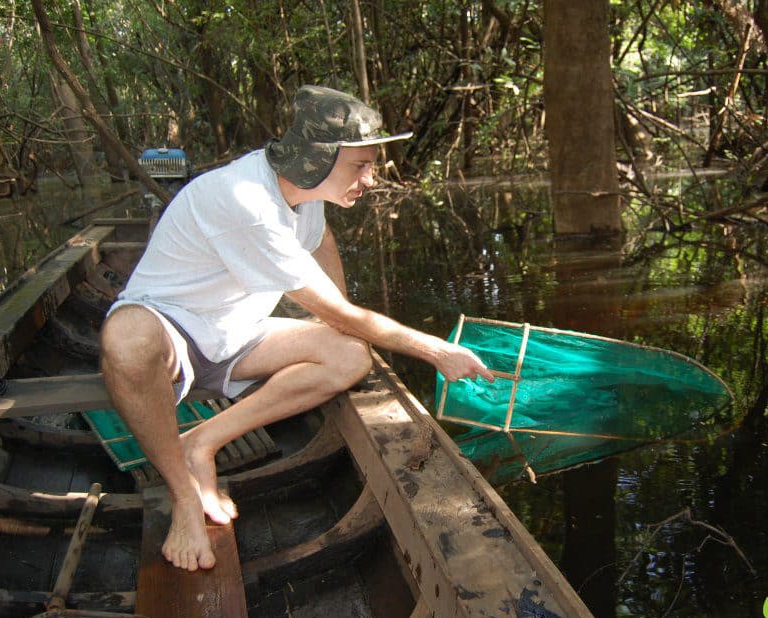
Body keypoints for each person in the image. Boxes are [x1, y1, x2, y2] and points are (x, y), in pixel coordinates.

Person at [100, 85, 493, 571]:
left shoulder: (305, 194)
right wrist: (436, 351)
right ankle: (183, 495)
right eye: (360, 166)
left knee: (350, 354)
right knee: (125, 337)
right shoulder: (246, 201)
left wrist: (339, 309)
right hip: (170, 334)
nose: (370, 179)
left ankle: (200, 442)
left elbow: (319, 239)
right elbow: (344, 317)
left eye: (371, 165)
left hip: (236, 337)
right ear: (317, 159)